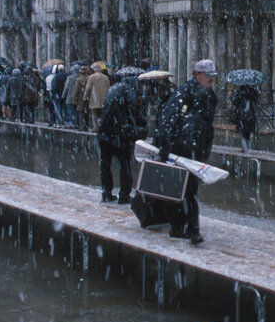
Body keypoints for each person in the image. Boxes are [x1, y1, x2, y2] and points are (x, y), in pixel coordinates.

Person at [152, 58, 218, 245]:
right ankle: (188, 230)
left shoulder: (208, 96)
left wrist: (205, 149)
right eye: (208, 76)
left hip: (195, 150)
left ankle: (182, 228)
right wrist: (165, 145)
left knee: (188, 190)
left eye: (213, 76)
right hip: (180, 149)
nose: (211, 79)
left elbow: (206, 126)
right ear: (198, 75)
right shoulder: (184, 93)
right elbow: (168, 118)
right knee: (185, 190)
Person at [97, 76, 146, 203]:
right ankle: (124, 195)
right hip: (119, 133)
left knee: (105, 165)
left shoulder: (112, 89)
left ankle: (106, 193)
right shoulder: (129, 91)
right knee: (124, 164)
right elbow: (133, 111)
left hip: (105, 133)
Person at [229, 82, 259, 153]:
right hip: (250, 114)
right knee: (247, 133)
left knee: (242, 133)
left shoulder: (239, 92)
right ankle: (247, 148)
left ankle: (245, 150)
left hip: (241, 114)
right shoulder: (252, 91)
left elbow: (233, 100)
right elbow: (256, 99)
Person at [83, 65, 110, 131]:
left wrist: (85, 97)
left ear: (95, 70)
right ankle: (102, 126)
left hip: (94, 98)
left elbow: (88, 88)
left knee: (94, 114)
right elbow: (108, 88)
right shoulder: (106, 78)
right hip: (104, 98)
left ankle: (96, 128)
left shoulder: (91, 77)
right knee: (102, 114)